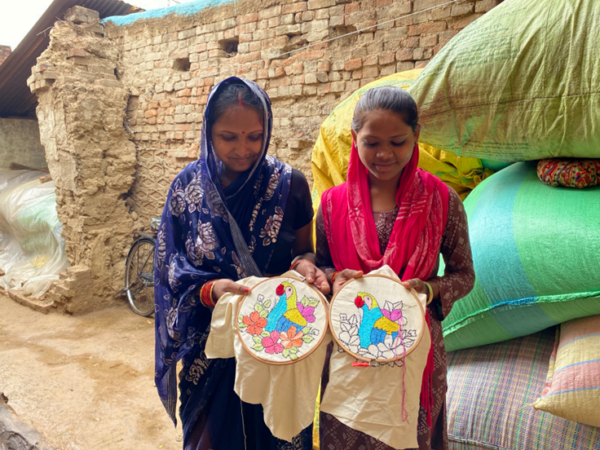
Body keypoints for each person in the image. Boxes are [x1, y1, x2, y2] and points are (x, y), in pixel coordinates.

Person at [154, 77, 328, 450]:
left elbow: (305, 252)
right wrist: (209, 289)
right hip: (211, 342)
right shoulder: (187, 189)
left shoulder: (290, 185)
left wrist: (304, 266)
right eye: (228, 137)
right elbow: (170, 266)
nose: (243, 149)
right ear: (209, 132)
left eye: (254, 136)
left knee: (275, 432)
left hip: (277, 337)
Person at [313, 86, 475, 450]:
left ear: (416, 135)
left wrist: (429, 289)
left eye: (398, 142)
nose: (384, 154)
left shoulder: (441, 200)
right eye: (371, 143)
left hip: (415, 351)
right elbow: (323, 267)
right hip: (350, 349)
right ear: (354, 137)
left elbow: (464, 275)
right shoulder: (333, 205)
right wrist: (335, 278)